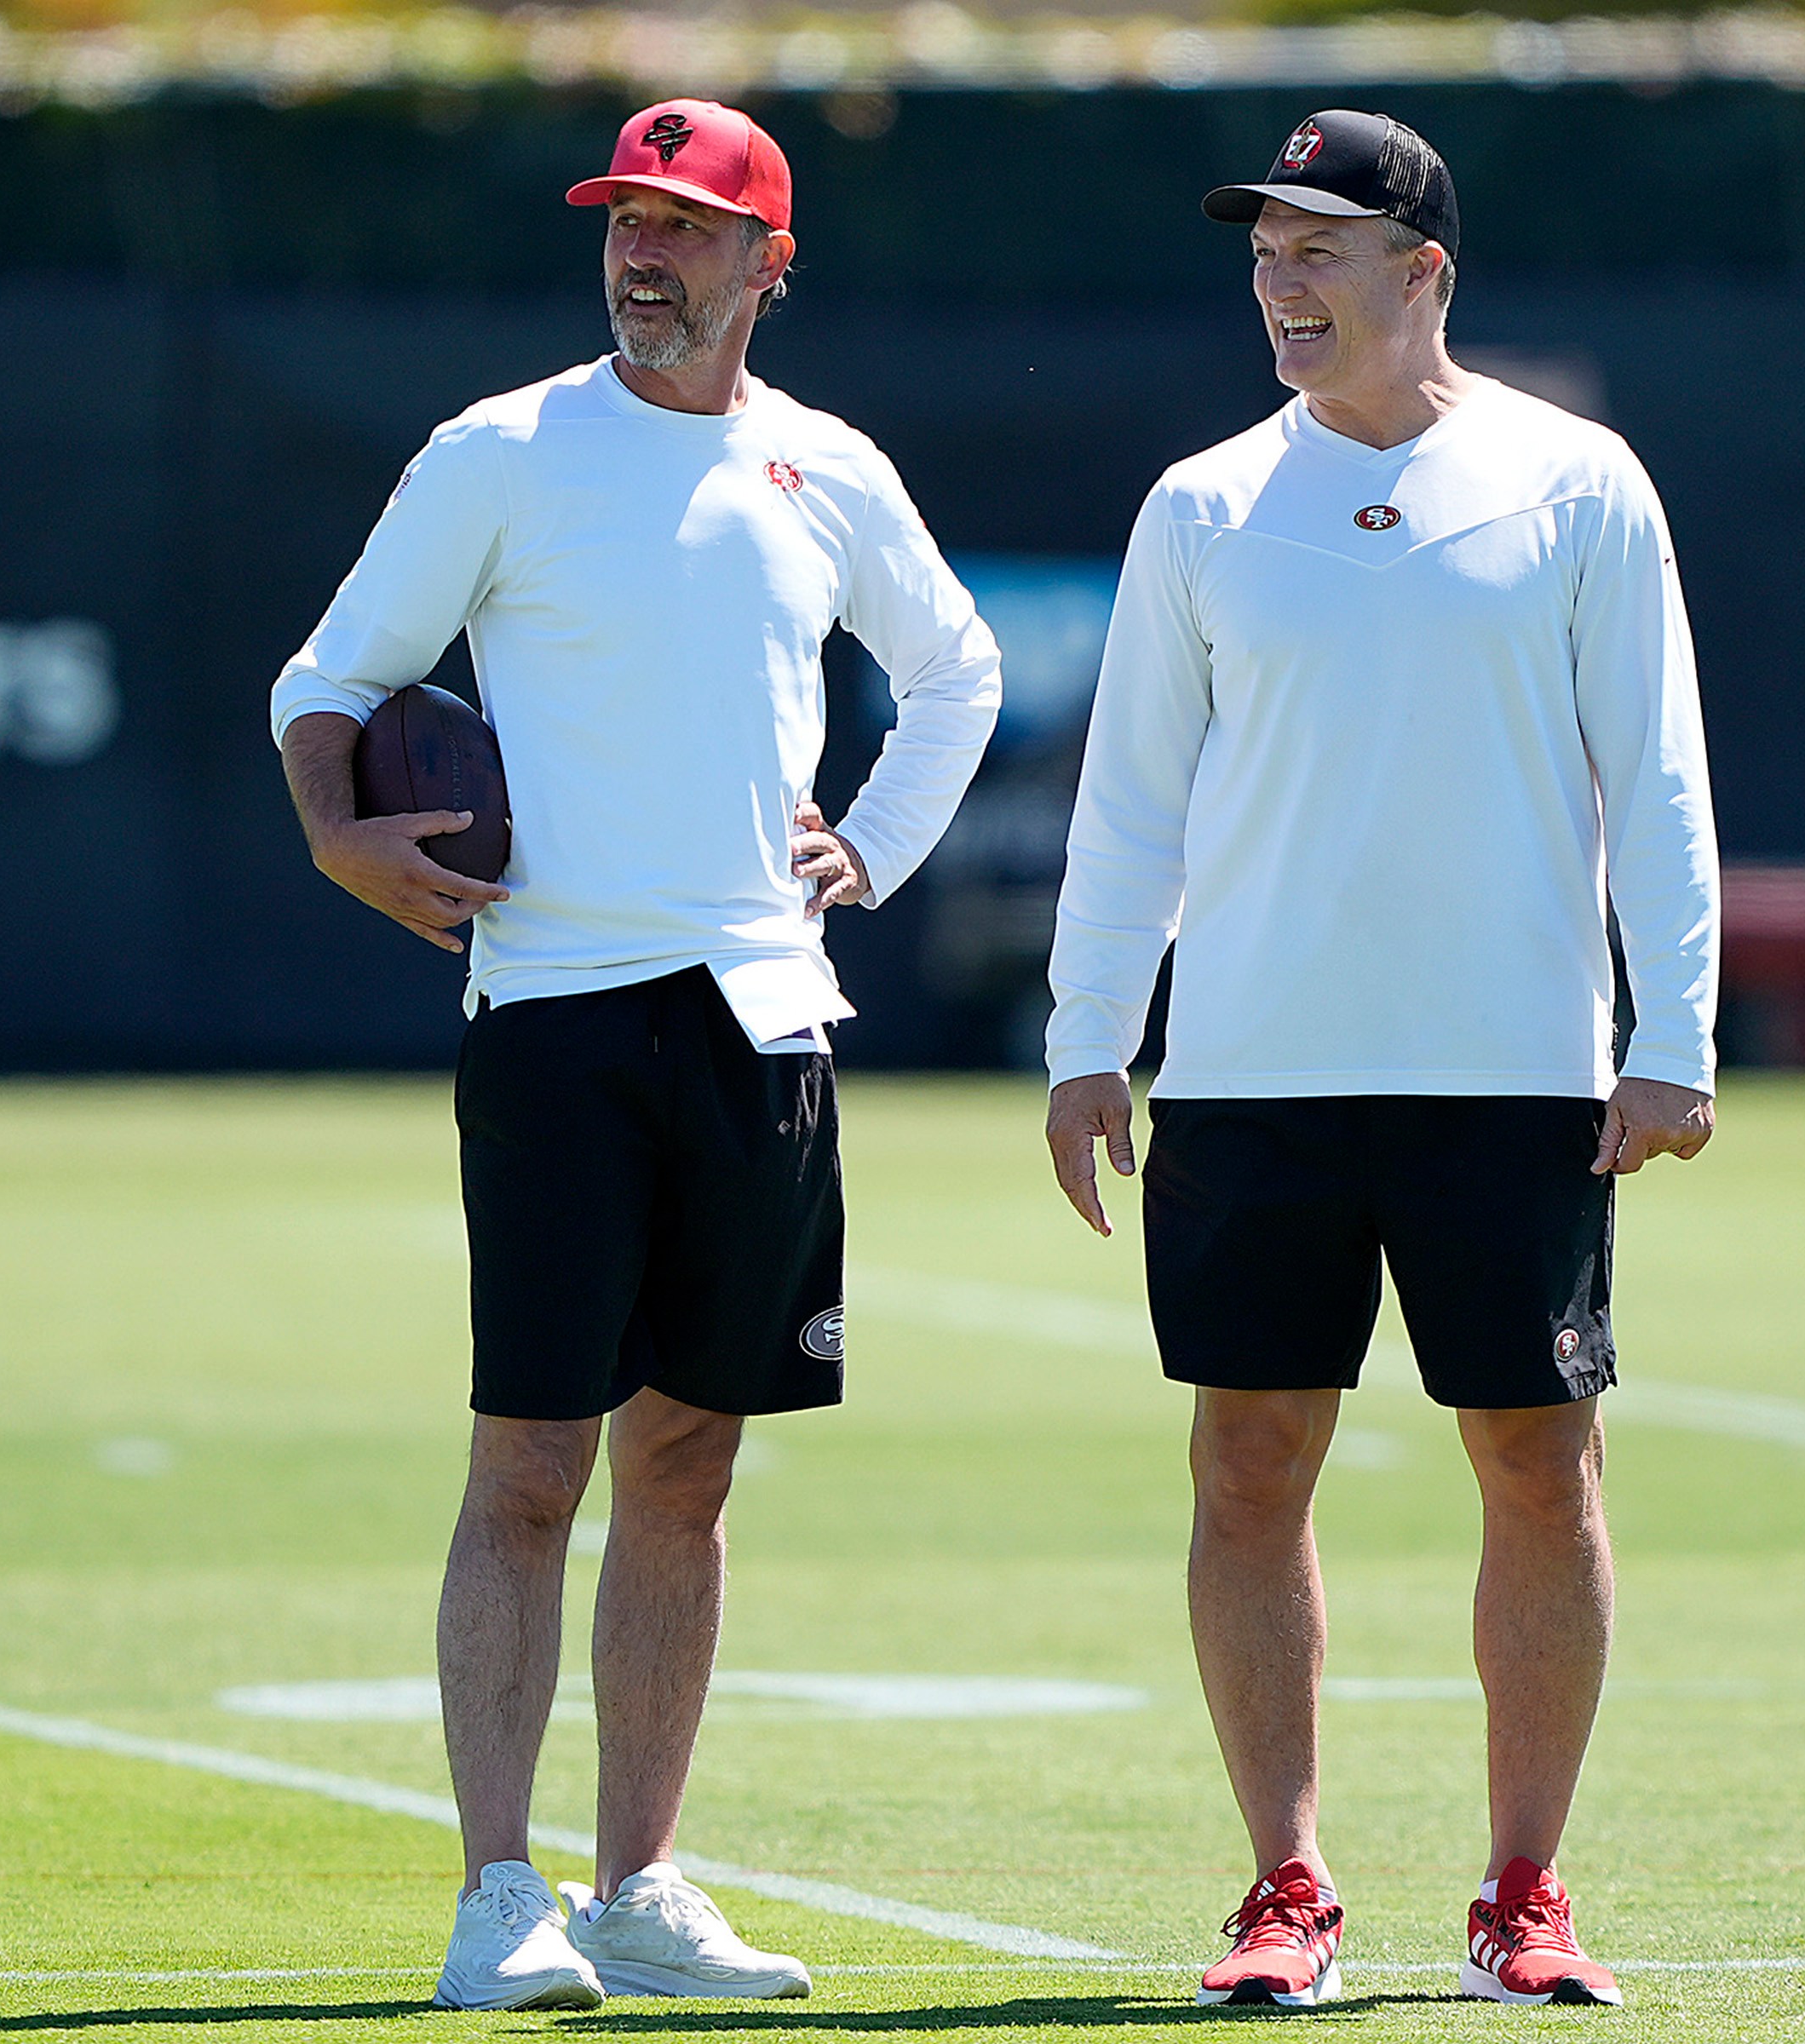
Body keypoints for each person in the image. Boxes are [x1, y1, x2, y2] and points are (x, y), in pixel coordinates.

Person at [270, 98, 1000, 2011]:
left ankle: (644, 1887)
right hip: (557, 1020)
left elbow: (958, 670)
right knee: (532, 1463)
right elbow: (328, 679)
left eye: (685, 227)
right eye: (622, 221)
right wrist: (339, 833)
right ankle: (496, 1896)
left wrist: (874, 844)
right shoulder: (500, 451)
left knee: (690, 1471)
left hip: (764, 1021)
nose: (641, 256)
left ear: (770, 264)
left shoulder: (825, 467)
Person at [1041, 109, 1719, 2011]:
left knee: (1538, 1460)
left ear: (1424, 273)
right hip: (1253, 1077)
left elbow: (1656, 774)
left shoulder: (1578, 484)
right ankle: (1284, 1885)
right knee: (1249, 1463)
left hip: (1517, 1077)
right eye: (1264, 247)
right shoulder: (1200, 505)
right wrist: (1091, 1037)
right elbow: (1133, 803)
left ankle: (1527, 1888)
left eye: (1321, 246)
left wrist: (1676, 1031)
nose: (1281, 276)